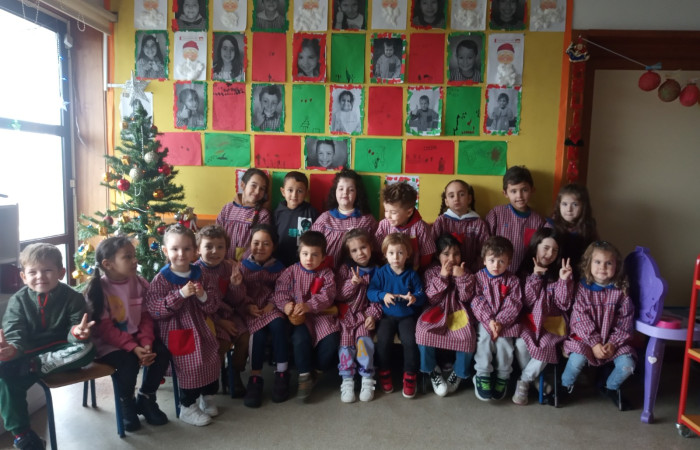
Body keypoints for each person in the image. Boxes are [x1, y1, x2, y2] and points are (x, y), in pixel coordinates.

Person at [0, 244, 95, 450]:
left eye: (47, 270)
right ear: (23, 276)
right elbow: (15, 332)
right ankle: (22, 435)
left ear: (61, 272)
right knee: (6, 376)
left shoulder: (73, 297)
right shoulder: (18, 301)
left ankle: (35, 365)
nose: (40, 276)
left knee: (88, 349)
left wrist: (77, 333)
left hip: (62, 350)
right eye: (33, 272)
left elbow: (76, 327)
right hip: (28, 353)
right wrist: (12, 350)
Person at [86, 237, 170, 432]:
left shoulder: (139, 283)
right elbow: (105, 330)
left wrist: (146, 343)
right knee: (128, 362)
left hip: (137, 339)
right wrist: (133, 348)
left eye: (134, 256)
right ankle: (126, 402)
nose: (135, 260)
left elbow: (146, 317)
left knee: (161, 353)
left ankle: (146, 397)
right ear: (108, 264)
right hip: (108, 344)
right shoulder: (99, 289)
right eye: (128, 257)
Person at [146, 224, 220, 426]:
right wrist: (179, 295)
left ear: (195, 251)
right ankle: (187, 406)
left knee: (212, 356)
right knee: (190, 364)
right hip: (176, 331)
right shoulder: (161, 279)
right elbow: (155, 309)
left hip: (201, 328)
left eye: (187, 249)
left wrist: (202, 295)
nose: (181, 254)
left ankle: (208, 396)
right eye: (175, 249)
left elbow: (213, 305)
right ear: (165, 251)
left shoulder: (201, 274)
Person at [561, 241, 636, 410]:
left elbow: (625, 321)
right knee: (576, 360)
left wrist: (613, 343)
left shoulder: (621, 291)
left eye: (608, 263)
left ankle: (611, 387)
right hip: (585, 339)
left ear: (616, 266)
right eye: (598, 262)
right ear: (589, 264)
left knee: (628, 364)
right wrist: (595, 343)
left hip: (613, 342)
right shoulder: (582, 289)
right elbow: (580, 319)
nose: (603, 267)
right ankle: (565, 386)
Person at [273, 231, 340, 401]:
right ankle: (303, 376)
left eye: (315, 255)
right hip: (298, 318)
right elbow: (280, 292)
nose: (309, 259)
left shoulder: (326, 274)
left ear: (323, 257)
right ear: (299, 254)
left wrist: (309, 305)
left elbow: (328, 295)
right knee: (300, 339)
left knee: (331, 339)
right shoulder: (290, 272)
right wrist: (286, 305)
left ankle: (316, 371)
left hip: (321, 315)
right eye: (305, 254)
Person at [512, 229, 573, 405]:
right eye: (546, 248)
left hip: (552, 322)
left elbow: (563, 303)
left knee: (546, 346)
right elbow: (527, 301)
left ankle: (524, 381)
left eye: (555, 250)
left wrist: (564, 280)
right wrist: (536, 276)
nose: (550, 254)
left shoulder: (561, 272)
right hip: (530, 320)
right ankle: (536, 381)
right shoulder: (525, 271)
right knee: (520, 344)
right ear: (536, 246)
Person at [236, 225, 291, 407]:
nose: (260, 247)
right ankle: (255, 378)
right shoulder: (242, 267)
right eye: (256, 243)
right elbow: (238, 292)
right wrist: (247, 305)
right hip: (251, 309)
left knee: (278, 325)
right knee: (257, 334)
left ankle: (282, 372)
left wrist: (272, 304)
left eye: (266, 244)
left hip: (272, 306)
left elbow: (282, 289)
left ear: (273, 246)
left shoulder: (279, 268)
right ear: (250, 244)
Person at [367, 233, 427, 399]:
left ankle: (410, 374)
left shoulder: (412, 274)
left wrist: (414, 298)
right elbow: (371, 292)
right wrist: (382, 295)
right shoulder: (381, 273)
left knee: (410, 342)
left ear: (407, 254)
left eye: (400, 253)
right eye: (391, 253)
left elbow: (421, 295)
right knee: (383, 340)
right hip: (386, 316)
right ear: (385, 254)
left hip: (407, 316)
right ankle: (384, 371)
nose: (396, 257)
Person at [416, 234, 476, 397]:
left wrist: (461, 277)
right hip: (436, 309)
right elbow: (431, 298)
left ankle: (458, 371)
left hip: (457, 311)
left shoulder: (465, 271)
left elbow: (466, 297)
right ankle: (432, 370)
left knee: (467, 335)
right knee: (423, 332)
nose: (451, 259)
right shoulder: (431, 271)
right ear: (438, 255)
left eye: (456, 254)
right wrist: (442, 276)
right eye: (446, 254)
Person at [193, 225, 249, 398]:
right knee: (221, 343)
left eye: (220, 247)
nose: (214, 251)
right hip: (206, 317)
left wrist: (236, 285)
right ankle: (211, 376)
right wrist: (219, 321)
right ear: (198, 249)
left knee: (244, 337)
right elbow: (196, 306)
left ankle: (233, 372)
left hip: (228, 313)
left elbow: (236, 300)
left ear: (226, 249)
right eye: (208, 246)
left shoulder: (228, 268)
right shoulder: (195, 272)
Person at [470, 236, 522, 402]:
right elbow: (476, 301)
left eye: (501, 261)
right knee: (484, 340)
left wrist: (500, 322)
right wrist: (490, 321)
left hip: (505, 323)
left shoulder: (513, 281)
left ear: (509, 262)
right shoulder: (478, 278)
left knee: (505, 344)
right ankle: (482, 374)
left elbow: (514, 304)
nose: (496, 265)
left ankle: (503, 375)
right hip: (485, 321)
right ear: (484, 260)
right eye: (492, 260)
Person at [335, 229, 382, 403]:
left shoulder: (378, 271)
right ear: (349, 254)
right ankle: (347, 379)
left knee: (364, 343)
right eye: (354, 250)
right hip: (346, 316)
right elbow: (338, 295)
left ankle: (367, 378)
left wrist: (372, 315)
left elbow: (379, 297)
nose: (360, 253)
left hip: (364, 316)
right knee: (346, 346)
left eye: (363, 247)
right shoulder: (345, 270)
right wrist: (352, 284)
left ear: (370, 247)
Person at [311, 169, 378, 268]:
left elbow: (377, 247)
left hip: (359, 273)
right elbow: (311, 245)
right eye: (341, 189)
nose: (345, 193)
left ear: (357, 193)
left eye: (351, 190)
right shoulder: (325, 219)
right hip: (328, 272)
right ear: (335, 191)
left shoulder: (367, 220)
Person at [485, 165, 545, 272]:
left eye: (524, 190)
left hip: (525, 274)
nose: (519, 196)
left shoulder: (538, 221)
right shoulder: (496, 214)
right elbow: (485, 245)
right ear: (505, 193)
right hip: (497, 273)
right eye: (513, 191)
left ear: (532, 190)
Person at [431, 179, 490, 274]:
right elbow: (432, 250)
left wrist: (472, 272)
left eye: (461, 194)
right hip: (444, 271)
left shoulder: (478, 223)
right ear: (446, 201)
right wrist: (442, 271)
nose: (456, 199)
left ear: (469, 198)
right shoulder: (441, 221)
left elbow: (485, 251)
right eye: (451, 196)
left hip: (472, 273)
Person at [375, 182, 435, 271]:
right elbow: (378, 249)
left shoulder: (421, 227)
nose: (388, 216)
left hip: (414, 270)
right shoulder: (384, 225)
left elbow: (427, 254)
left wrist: (420, 272)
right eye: (386, 210)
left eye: (393, 212)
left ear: (409, 212)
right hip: (389, 270)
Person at [217, 168, 272, 261]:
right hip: (221, 261)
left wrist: (242, 263)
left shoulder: (263, 215)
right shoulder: (227, 209)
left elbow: (259, 243)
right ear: (243, 185)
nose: (257, 191)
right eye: (253, 185)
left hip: (246, 264)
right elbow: (216, 235)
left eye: (262, 189)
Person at [546, 183, 598, 279]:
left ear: (583, 206)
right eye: (564, 204)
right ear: (559, 205)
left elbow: (592, 254)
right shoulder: (550, 225)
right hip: (553, 273)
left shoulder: (588, 227)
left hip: (578, 274)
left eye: (575, 204)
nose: (569, 209)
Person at [273, 171, 319, 267]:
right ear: (283, 191)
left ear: (306, 193)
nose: (294, 195)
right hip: (280, 262)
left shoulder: (312, 212)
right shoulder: (277, 212)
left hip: (304, 263)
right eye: (290, 190)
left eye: (300, 191)